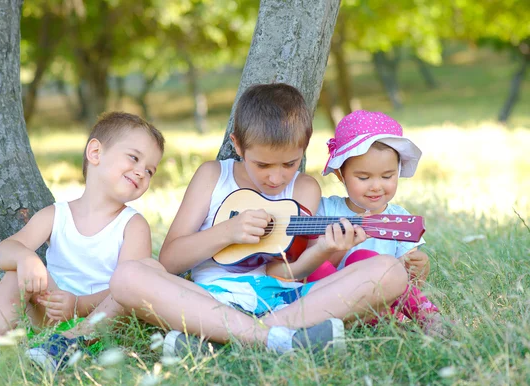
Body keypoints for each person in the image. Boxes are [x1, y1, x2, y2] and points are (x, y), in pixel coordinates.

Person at [110, 84, 409, 356]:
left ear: (303, 150)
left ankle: (225, 339)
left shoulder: (304, 188)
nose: (276, 177)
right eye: (263, 164)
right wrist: (227, 232)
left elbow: (283, 272)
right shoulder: (213, 176)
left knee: (390, 272)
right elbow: (171, 260)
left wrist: (323, 250)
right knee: (128, 276)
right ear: (238, 146)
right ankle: (277, 341)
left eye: (290, 164)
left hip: (284, 302)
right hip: (210, 300)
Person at [0, 112, 165, 371]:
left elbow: (129, 289)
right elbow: (3, 250)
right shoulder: (57, 215)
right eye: (134, 158)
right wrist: (26, 258)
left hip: (97, 322)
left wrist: (78, 305)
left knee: (131, 290)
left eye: (150, 170)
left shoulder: (132, 225)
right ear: (96, 152)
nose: (141, 173)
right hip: (50, 313)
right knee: (16, 273)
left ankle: (70, 344)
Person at [308, 109, 442, 334]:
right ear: (341, 175)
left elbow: (409, 282)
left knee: (367, 259)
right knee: (317, 264)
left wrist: (421, 268)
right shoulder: (325, 209)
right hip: (331, 298)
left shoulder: (401, 219)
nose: (376, 186)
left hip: (383, 300)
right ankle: (359, 319)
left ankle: (430, 318)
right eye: (363, 177)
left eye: (387, 176)